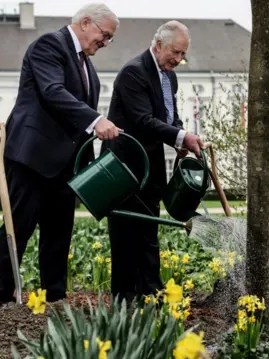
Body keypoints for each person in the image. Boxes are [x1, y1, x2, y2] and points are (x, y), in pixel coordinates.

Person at [0, 3, 121, 311]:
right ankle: (1, 304)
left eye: (109, 39)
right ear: (86, 23)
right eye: (104, 35)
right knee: (16, 230)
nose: (105, 43)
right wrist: (95, 119)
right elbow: (52, 92)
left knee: (59, 235)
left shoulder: (88, 67)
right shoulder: (49, 45)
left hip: (64, 167)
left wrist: (91, 165)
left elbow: (78, 123)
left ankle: (56, 300)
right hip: (30, 158)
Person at [101, 21, 204, 304]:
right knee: (124, 234)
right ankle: (125, 300)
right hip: (122, 167)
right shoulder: (133, 73)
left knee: (148, 233)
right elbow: (144, 121)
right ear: (158, 44)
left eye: (182, 54)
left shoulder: (169, 76)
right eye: (175, 52)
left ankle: (151, 292)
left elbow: (170, 117)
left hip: (149, 167)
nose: (178, 59)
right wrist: (182, 137)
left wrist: (181, 139)